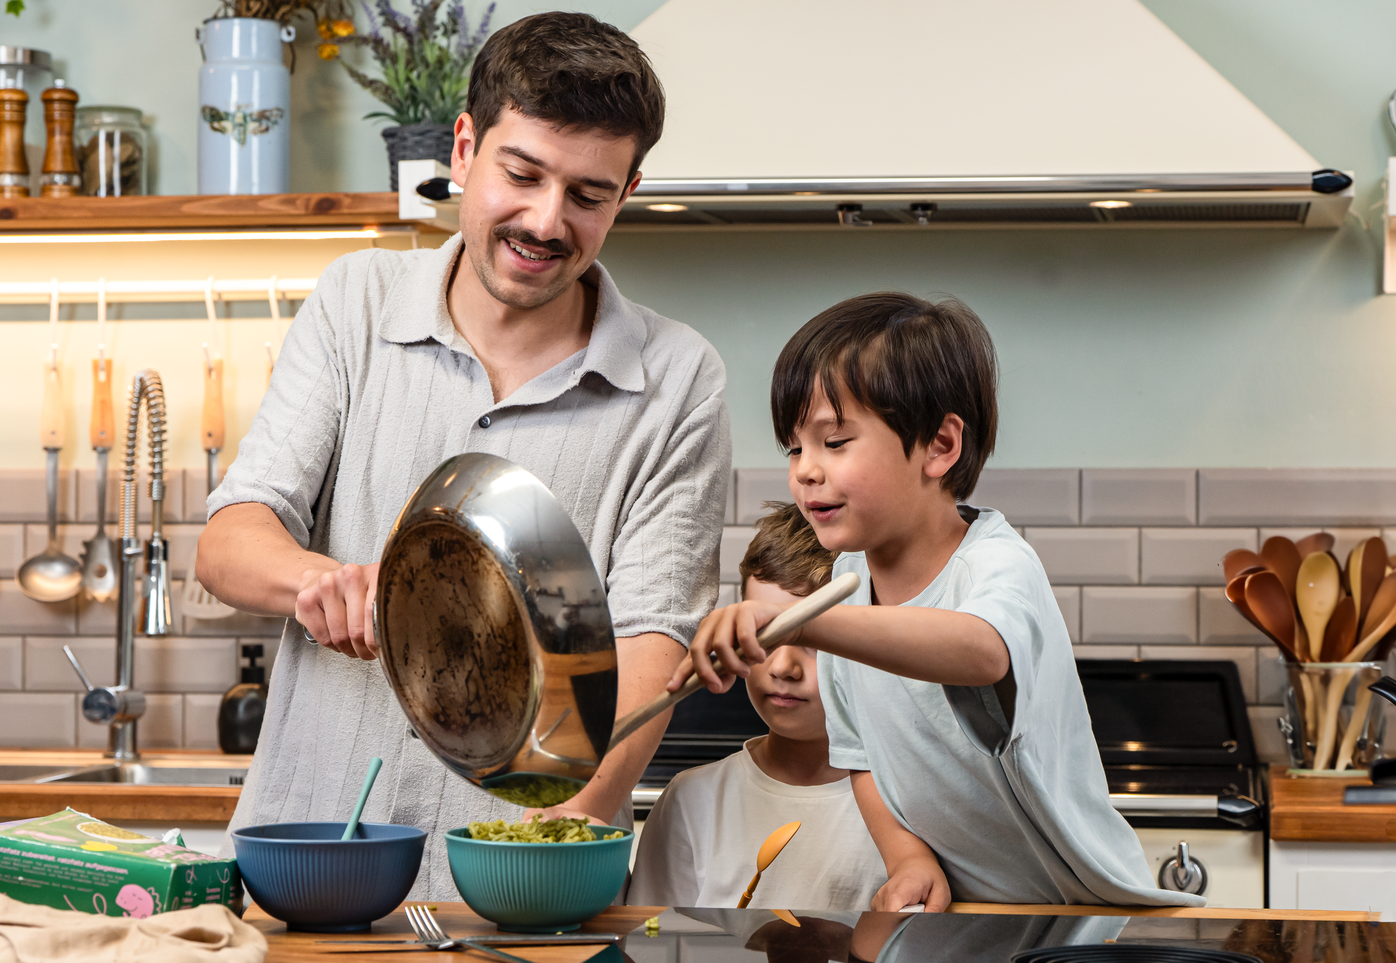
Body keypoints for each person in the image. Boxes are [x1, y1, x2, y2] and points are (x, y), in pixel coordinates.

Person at [195, 13, 731, 899]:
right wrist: (315, 582)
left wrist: (561, 834)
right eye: (521, 174)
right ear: (465, 146)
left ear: (627, 191)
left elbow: (651, 639)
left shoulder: (678, 379)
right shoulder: (355, 303)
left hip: (512, 882)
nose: (546, 220)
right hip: (302, 865)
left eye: (588, 196)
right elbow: (229, 539)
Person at [670, 292, 1204, 910]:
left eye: (835, 441)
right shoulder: (845, 579)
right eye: (795, 448)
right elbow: (860, 755)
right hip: (975, 916)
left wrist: (798, 623)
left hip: (1083, 907)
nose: (805, 471)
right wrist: (908, 858)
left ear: (940, 446)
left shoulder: (996, 562)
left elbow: (978, 651)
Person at [629, 503, 888, 910]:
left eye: (815, 640)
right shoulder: (692, 801)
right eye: (765, 636)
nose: (783, 666)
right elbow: (651, 942)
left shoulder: (902, 810)